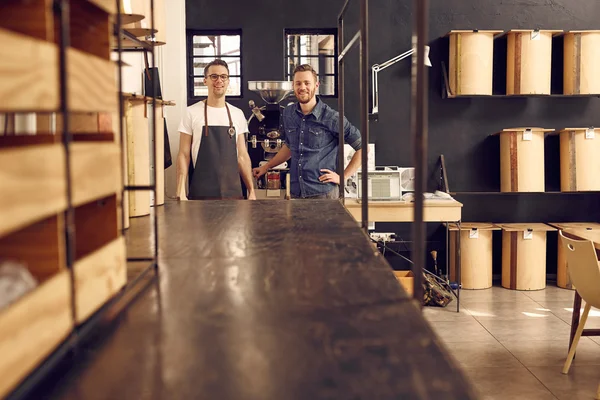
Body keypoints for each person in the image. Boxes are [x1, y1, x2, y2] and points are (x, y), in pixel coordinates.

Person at [253, 64, 364, 199]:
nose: (302, 87)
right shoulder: (288, 113)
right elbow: (289, 146)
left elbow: (362, 148)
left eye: (307, 83)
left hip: (323, 194)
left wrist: (343, 177)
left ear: (316, 85)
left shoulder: (332, 117)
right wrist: (267, 167)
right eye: (298, 83)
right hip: (295, 193)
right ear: (293, 86)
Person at [176, 59, 256, 200]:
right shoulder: (191, 113)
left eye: (223, 76)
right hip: (200, 195)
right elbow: (183, 154)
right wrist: (180, 190)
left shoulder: (237, 114)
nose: (219, 80)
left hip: (233, 195)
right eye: (214, 76)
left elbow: (242, 156)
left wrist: (251, 190)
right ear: (205, 80)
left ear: (228, 80)